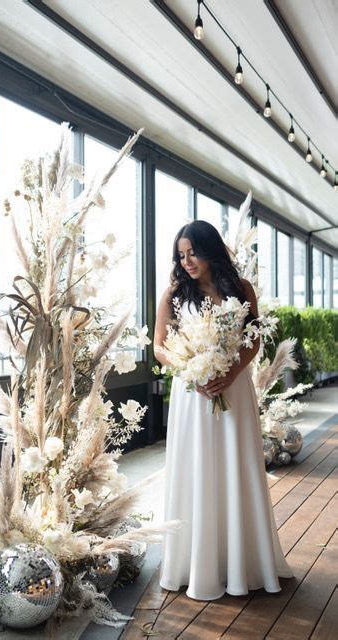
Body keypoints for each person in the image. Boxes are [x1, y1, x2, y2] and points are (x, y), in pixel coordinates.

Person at [154, 220, 294, 600]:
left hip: (234, 389)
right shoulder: (173, 294)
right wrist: (188, 368)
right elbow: (159, 347)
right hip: (193, 392)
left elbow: (255, 339)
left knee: (236, 465)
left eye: (192, 253)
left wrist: (230, 372)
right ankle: (195, 565)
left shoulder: (241, 288)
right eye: (180, 256)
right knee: (196, 466)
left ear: (209, 249)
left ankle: (243, 562)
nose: (186, 262)